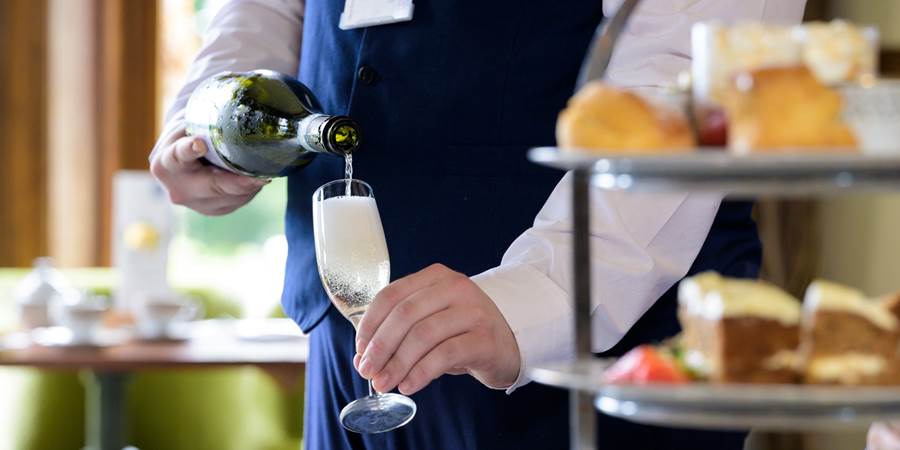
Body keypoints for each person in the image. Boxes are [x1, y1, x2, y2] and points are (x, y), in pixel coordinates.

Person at [150, 0, 805, 448]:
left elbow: (686, 78)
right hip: (345, 345)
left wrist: (534, 299)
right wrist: (212, 113)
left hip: (581, 361)